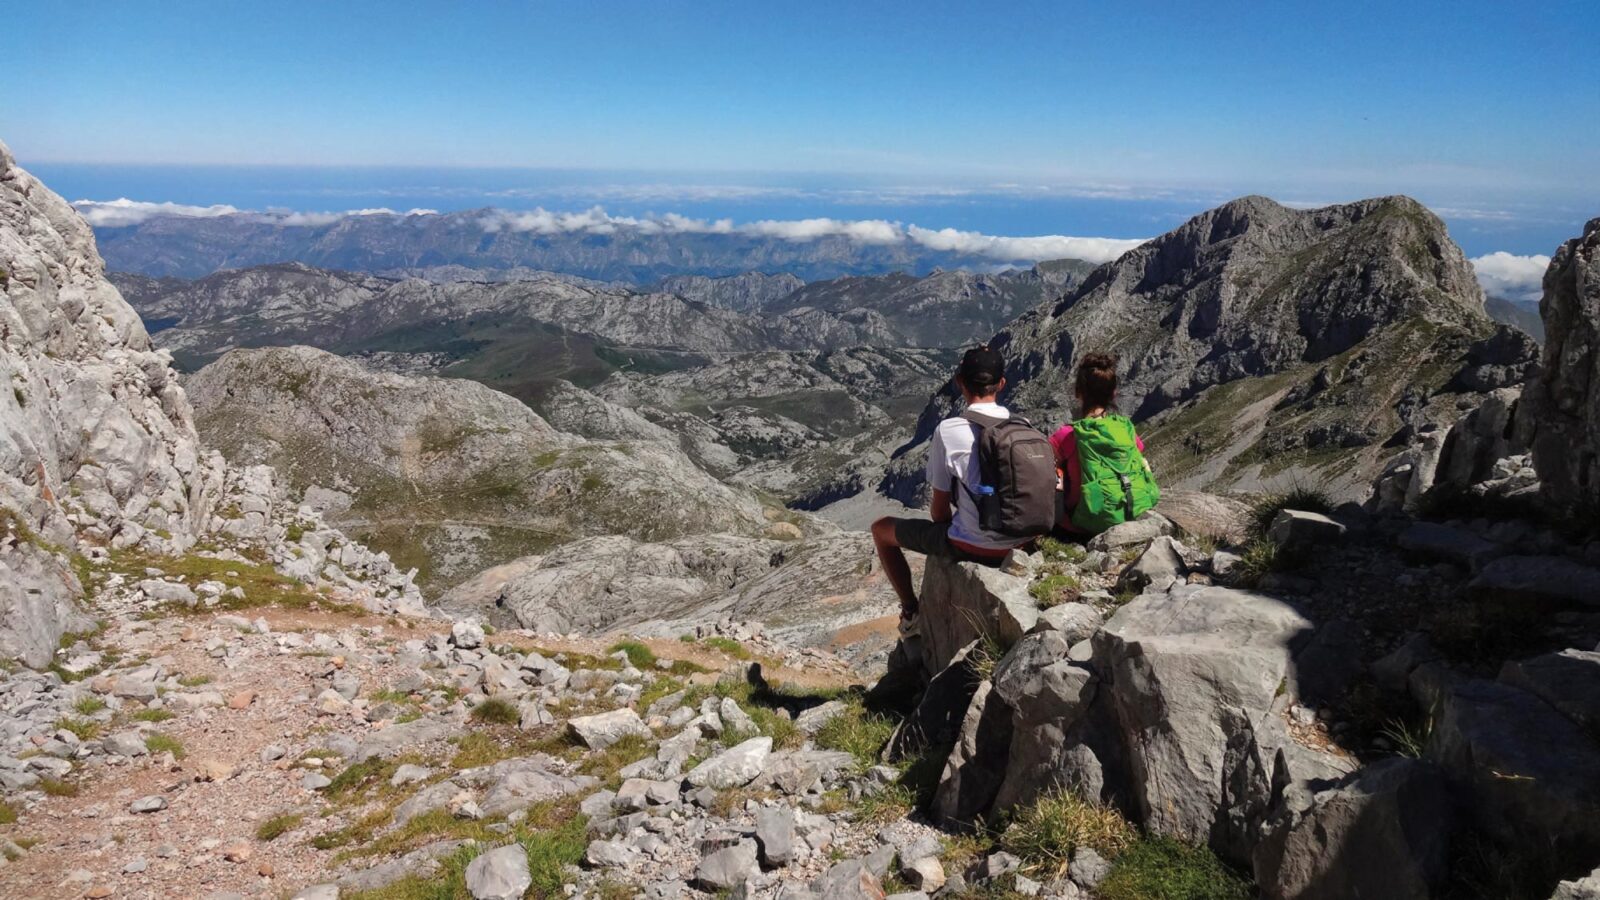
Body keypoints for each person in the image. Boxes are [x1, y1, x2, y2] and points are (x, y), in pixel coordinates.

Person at [871, 345, 1033, 633]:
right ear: (1002, 384)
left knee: (881, 530)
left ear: (960, 382)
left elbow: (939, 509)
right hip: (1023, 542)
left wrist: (957, 528)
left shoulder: (948, 430)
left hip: (975, 545)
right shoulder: (1024, 425)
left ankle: (911, 612)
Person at [1050, 352, 1158, 536]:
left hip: (1080, 524)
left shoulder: (1067, 435)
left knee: (1053, 469)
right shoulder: (1126, 429)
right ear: (1113, 394)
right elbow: (1138, 450)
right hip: (1129, 512)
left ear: (1078, 392)